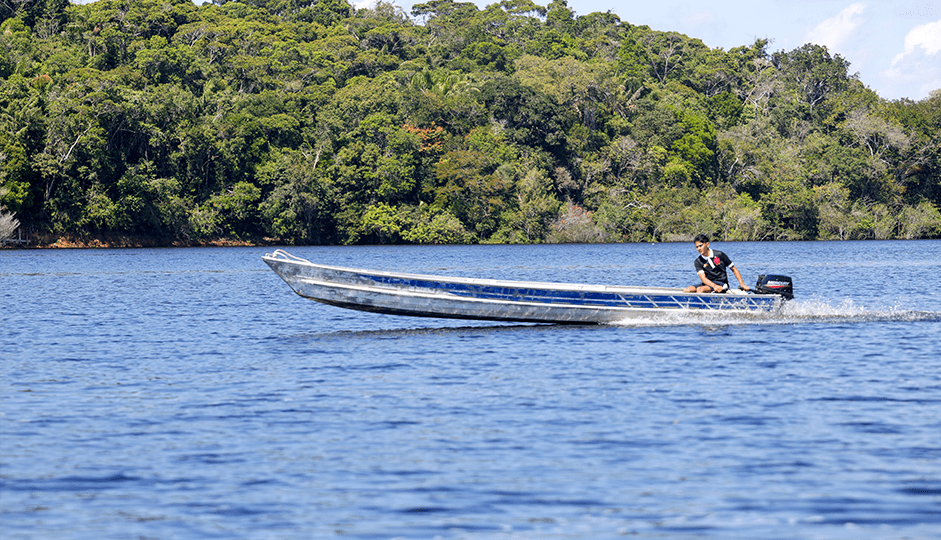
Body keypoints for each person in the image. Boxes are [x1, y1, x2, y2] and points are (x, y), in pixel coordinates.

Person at [683, 234, 751, 294]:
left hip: (721, 283)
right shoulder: (698, 261)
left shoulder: (720, 254)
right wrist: (714, 286)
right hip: (709, 283)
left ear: (707, 244)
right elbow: (703, 278)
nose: (699, 248)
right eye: (697, 247)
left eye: (700, 246)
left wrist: (742, 284)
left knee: (700, 290)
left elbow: (734, 269)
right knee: (687, 290)